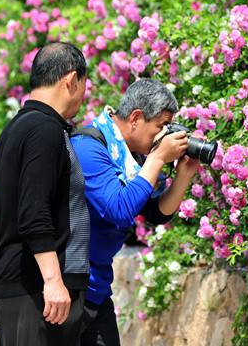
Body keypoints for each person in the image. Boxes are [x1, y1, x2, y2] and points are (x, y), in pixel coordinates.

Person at [72, 78, 201, 346]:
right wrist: (156, 159)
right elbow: (119, 209)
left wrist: (183, 177)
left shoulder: (135, 158)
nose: (164, 136)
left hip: (97, 291)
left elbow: (156, 212)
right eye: (161, 127)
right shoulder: (89, 147)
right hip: (69, 290)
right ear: (135, 118)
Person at [0, 42, 91, 346]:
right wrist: (53, 281)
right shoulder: (43, 130)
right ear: (71, 80)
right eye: (84, 85)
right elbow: (34, 212)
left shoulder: (20, 126)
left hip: (28, 290)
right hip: (35, 291)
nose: (84, 94)